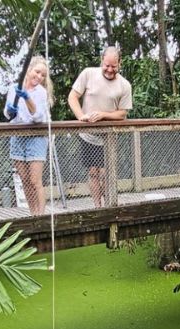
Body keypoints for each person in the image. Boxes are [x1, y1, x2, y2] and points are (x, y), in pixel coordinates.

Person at [68, 47, 132, 208]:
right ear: (101, 61)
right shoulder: (88, 74)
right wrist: (81, 116)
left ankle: (109, 204)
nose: (110, 70)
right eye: (107, 65)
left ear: (119, 64)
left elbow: (122, 114)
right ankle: (98, 206)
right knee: (93, 172)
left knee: (106, 173)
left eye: (114, 66)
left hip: (108, 136)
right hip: (88, 135)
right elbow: (73, 97)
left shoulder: (124, 85)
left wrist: (103, 115)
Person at [4, 56, 53, 215]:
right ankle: (33, 215)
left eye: (43, 75)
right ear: (28, 70)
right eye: (37, 72)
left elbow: (38, 117)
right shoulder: (14, 88)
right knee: (24, 180)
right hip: (17, 136)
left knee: (34, 180)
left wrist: (26, 97)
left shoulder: (41, 92)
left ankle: (41, 216)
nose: (39, 77)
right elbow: (7, 113)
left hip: (36, 137)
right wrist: (10, 111)